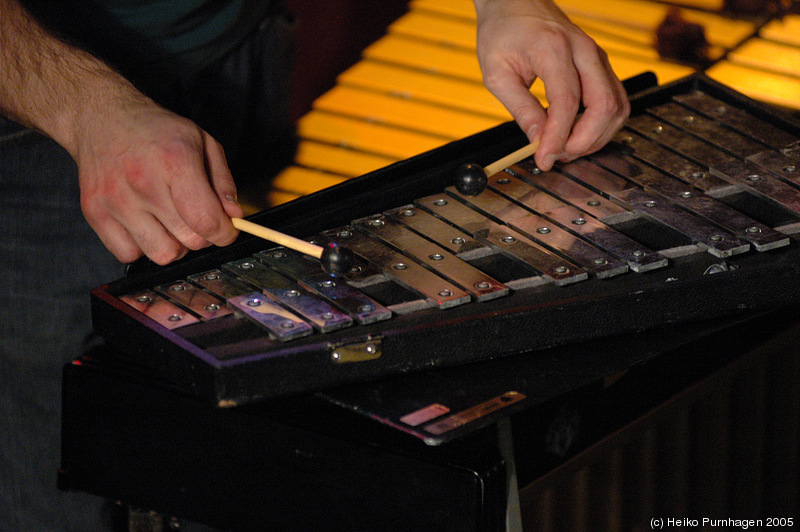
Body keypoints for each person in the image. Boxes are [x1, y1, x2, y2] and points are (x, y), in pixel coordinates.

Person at [0, 0, 629, 529]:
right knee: (65, 459)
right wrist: (84, 112)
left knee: (243, 443)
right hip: (33, 112)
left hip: (235, 46)